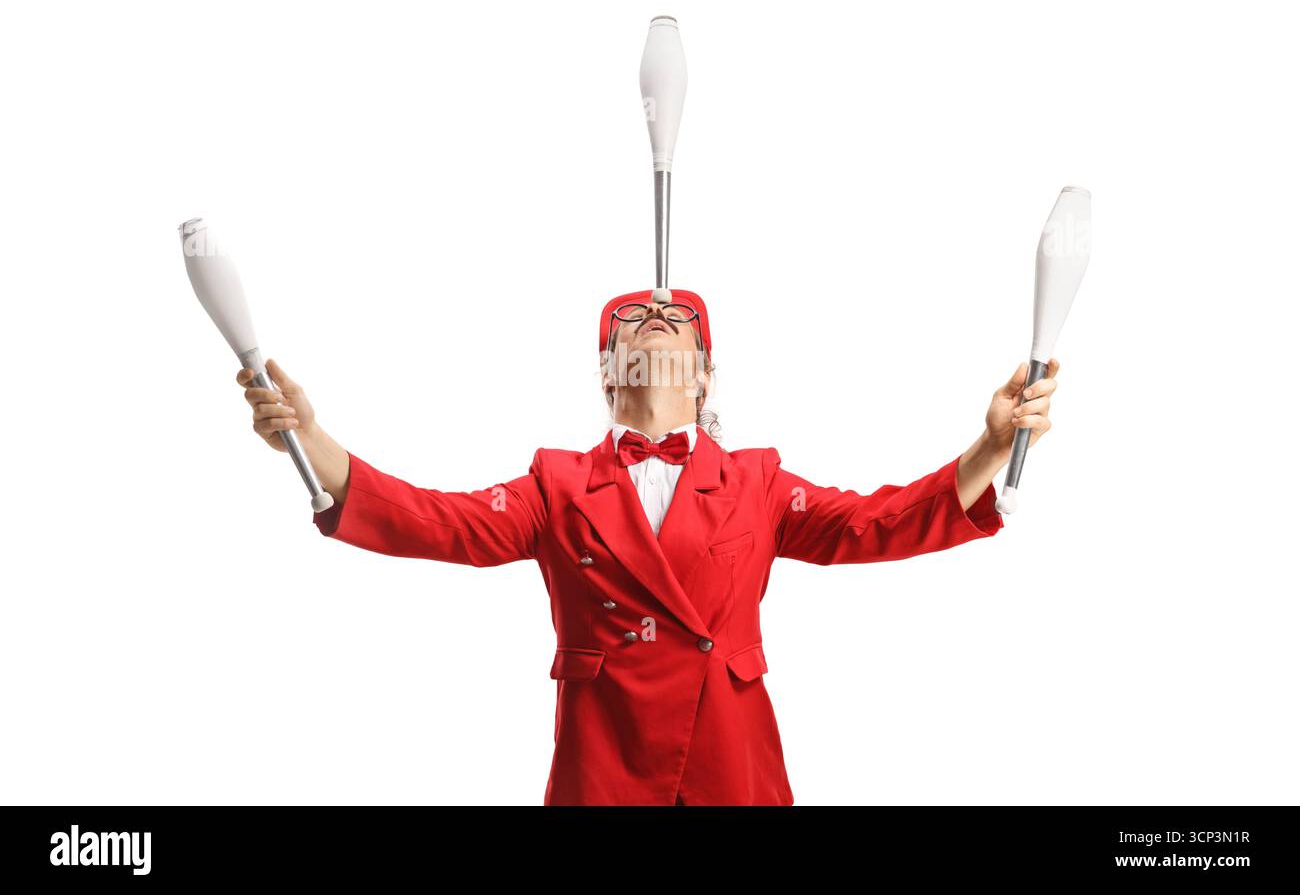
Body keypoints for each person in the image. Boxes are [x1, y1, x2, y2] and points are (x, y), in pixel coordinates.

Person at [237, 288, 1058, 805]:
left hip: (731, 772)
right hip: (605, 772)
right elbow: (437, 521)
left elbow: (875, 525)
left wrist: (987, 449)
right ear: (607, 375)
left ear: (706, 378)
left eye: (675, 318)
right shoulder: (555, 486)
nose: (655, 314)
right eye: (632, 319)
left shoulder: (759, 480)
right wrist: (315, 440)